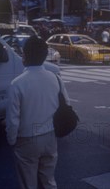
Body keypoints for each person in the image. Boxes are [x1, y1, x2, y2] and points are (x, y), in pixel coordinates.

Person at [6, 36, 68, 189]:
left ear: (24, 56)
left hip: (26, 139)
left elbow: (13, 120)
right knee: (48, 180)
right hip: (50, 136)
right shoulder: (55, 78)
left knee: (28, 182)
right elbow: (66, 104)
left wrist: (11, 140)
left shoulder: (17, 84)